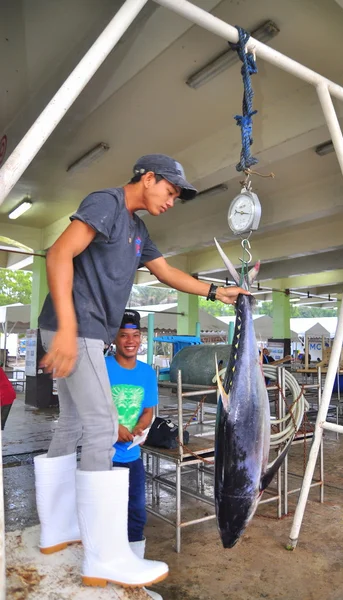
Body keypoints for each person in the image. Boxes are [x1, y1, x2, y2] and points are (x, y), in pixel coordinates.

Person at [33, 154, 247, 589]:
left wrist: (215, 292)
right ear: (147, 178)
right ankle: (103, 555)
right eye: (169, 191)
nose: (171, 200)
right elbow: (58, 253)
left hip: (82, 330)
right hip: (77, 328)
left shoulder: (138, 229)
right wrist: (68, 329)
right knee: (102, 426)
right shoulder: (107, 203)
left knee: (74, 422)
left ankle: (57, 530)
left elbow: (166, 273)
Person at [107, 309, 161, 600]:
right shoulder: (102, 367)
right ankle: (107, 572)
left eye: (135, 335)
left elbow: (149, 410)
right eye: (124, 335)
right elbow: (87, 406)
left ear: (141, 338)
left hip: (131, 457)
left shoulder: (146, 372)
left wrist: (141, 425)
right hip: (102, 457)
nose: (130, 341)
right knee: (106, 514)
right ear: (115, 338)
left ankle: (133, 574)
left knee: (137, 513)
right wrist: (112, 426)